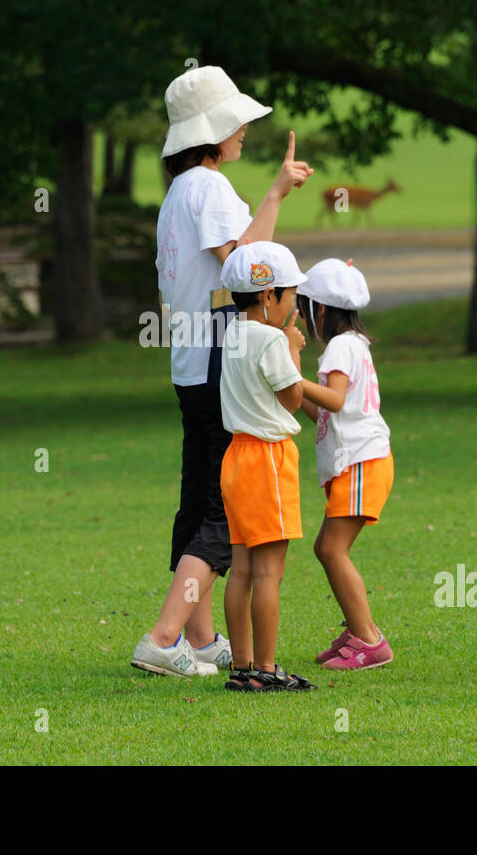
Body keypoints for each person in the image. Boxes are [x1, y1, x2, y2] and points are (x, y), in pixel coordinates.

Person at [131, 66, 312, 677]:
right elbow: (244, 270)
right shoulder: (209, 189)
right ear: (213, 131)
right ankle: (163, 637)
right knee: (223, 512)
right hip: (219, 361)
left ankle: (202, 641)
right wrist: (276, 195)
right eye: (236, 122)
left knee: (197, 502)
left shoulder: (174, 197)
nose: (244, 132)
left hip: (189, 363)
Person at [217, 242, 315, 692]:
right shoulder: (272, 338)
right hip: (268, 460)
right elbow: (293, 399)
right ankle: (268, 668)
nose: (294, 304)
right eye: (292, 294)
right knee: (269, 572)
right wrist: (294, 349)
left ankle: (242, 667)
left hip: (235, 457)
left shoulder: (231, 333)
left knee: (241, 569)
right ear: (269, 294)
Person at [295, 258, 395, 670]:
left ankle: (370, 641)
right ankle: (359, 631)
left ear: (320, 309)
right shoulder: (354, 344)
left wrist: (292, 376)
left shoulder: (339, 347)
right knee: (328, 548)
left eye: (303, 309)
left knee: (332, 549)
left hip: (361, 460)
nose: (302, 318)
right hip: (360, 460)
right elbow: (325, 415)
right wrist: (291, 385)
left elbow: (333, 400)